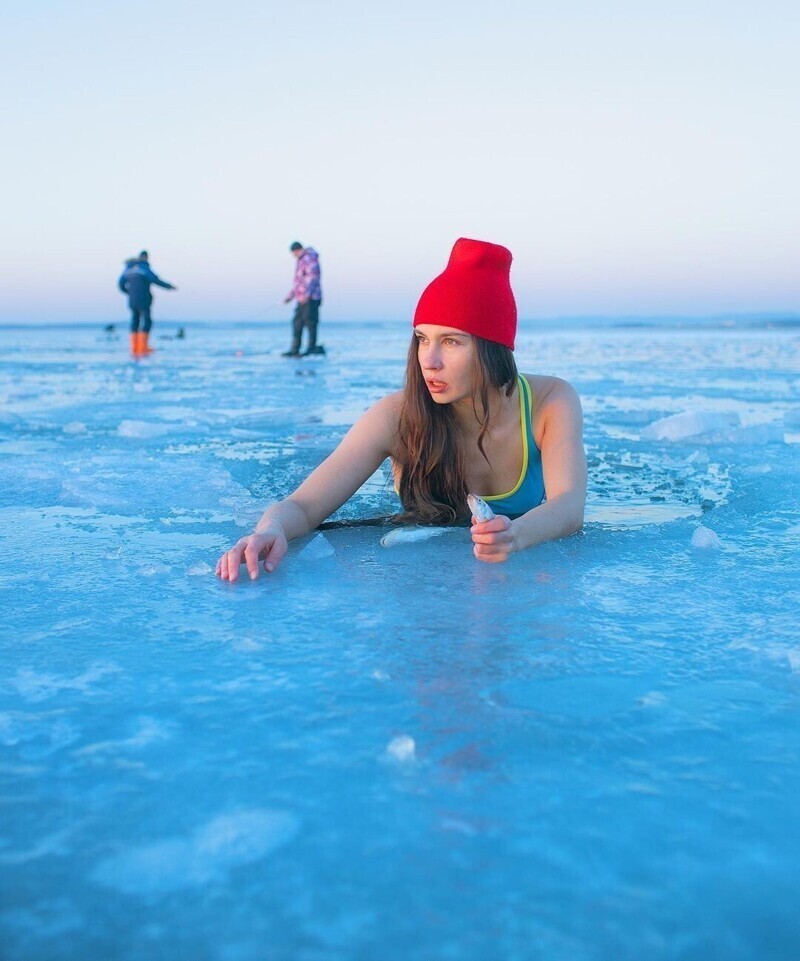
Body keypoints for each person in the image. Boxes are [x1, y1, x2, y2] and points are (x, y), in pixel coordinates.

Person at [217, 237, 586, 580]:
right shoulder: (395, 417)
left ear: (493, 347)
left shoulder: (550, 401)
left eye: (452, 342)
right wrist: (270, 530)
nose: (430, 360)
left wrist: (516, 535)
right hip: (428, 587)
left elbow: (569, 505)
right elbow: (303, 506)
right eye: (423, 339)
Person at [118, 251, 177, 356]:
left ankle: (134, 348)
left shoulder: (129, 269)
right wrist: (169, 286)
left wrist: (130, 293)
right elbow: (155, 280)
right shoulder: (144, 268)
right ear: (145, 257)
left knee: (135, 321)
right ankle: (143, 347)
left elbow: (121, 285)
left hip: (132, 300)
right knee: (147, 321)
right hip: (144, 299)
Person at [282, 241, 324, 357]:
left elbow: (313, 278)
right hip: (301, 299)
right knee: (297, 323)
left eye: (294, 253)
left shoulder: (310, 258)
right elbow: (298, 283)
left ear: (297, 250)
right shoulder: (300, 261)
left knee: (310, 323)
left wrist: (307, 294)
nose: (293, 256)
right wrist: (290, 297)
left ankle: (311, 349)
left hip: (312, 298)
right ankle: (295, 349)